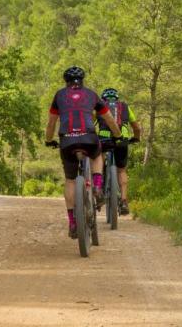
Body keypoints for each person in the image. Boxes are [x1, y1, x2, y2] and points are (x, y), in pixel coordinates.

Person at [45, 66, 122, 238]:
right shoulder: (92, 95)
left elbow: (51, 123)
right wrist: (116, 135)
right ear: (83, 80)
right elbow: (108, 118)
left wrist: (49, 140)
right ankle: (97, 185)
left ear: (66, 81)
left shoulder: (59, 95)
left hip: (67, 140)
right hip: (88, 137)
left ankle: (73, 223)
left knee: (70, 180)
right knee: (96, 154)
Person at [97, 87, 141, 215]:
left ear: (103, 98)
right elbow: (136, 127)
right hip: (122, 140)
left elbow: (90, 122)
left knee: (99, 158)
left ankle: (98, 187)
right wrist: (136, 138)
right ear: (117, 98)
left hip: (104, 139)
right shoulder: (125, 107)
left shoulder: (99, 107)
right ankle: (123, 201)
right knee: (121, 169)